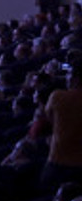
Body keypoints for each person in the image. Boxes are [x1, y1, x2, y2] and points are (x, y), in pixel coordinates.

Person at [42, 51, 82, 187]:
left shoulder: (58, 96)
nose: (66, 78)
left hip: (59, 162)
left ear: (75, 78)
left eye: (68, 74)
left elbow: (49, 118)